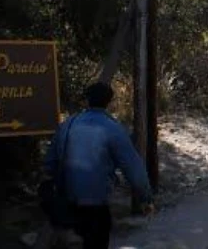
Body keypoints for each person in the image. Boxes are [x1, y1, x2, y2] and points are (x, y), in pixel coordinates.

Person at [43, 82, 153, 249]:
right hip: (96, 207)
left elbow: (50, 163)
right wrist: (146, 199)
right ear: (108, 102)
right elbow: (134, 170)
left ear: (87, 100)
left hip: (66, 205)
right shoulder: (113, 129)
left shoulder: (68, 124)